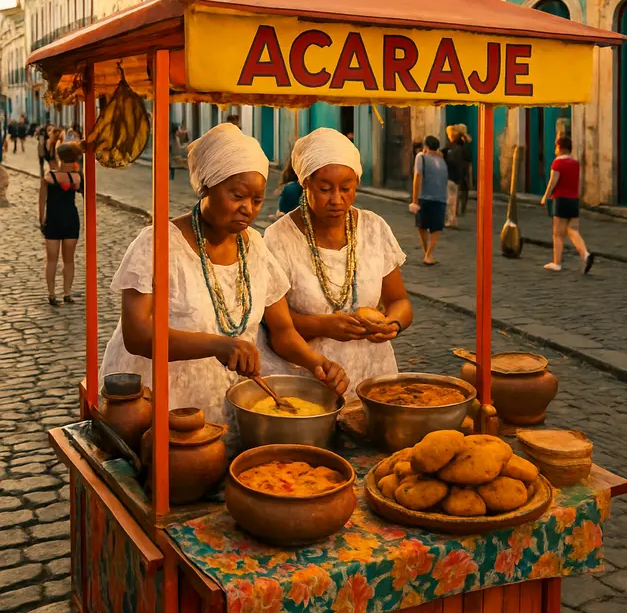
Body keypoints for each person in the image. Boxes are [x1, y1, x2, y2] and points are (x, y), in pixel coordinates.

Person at [100, 123, 348, 432]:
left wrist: (315, 362)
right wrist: (218, 345)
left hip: (230, 400)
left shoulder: (256, 248)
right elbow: (137, 334)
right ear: (206, 187)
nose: (247, 209)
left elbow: (282, 329)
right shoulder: (159, 244)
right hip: (163, 401)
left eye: (257, 200)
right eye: (237, 196)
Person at [260, 127, 412, 390]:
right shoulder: (279, 238)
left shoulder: (374, 228)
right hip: (310, 377)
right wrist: (323, 326)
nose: (337, 199)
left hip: (373, 374)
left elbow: (399, 300)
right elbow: (274, 324)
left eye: (346, 188)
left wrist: (392, 324)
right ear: (305, 182)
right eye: (325, 189)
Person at [540, 136, 594, 274]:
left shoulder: (557, 163)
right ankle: (585, 254)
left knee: (558, 233)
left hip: (561, 199)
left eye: (555, 146)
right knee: (573, 229)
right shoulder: (575, 163)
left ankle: (557, 262)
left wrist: (545, 197)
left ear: (560, 147)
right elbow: (579, 182)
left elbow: (553, 182)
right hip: (573, 200)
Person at [39, 142, 83, 306]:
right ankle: (67, 293)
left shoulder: (49, 176)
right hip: (71, 219)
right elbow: (79, 187)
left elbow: (42, 198)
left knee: (51, 260)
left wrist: (41, 216)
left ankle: (51, 294)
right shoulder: (76, 177)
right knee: (69, 260)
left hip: (53, 219)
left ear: (59, 157)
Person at [410, 135, 449, 265]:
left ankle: (427, 253)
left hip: (424, 197)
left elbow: (417, 177)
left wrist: (414, 199)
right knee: (436, 227)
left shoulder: (421, 157)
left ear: (425, 146)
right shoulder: (442, 160)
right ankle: (429, 253)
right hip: (441, 197)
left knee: (422, 225)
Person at [442, 125, 464, 229]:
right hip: (453, 176)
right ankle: (450, 219)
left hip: (452, 176)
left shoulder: (455, 148)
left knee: (451, 200)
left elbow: (454, 162)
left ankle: (450, 220)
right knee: (451, 199)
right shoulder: (453, 147)